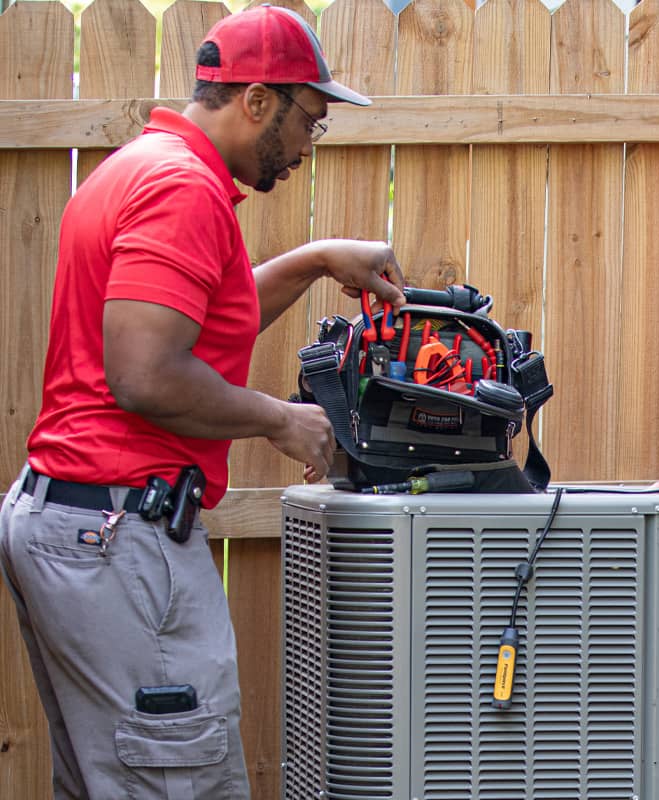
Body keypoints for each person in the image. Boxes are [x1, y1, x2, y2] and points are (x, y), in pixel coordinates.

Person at [0, 6, 404, 798]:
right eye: (307, 124)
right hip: (120, 536)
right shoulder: (182, 189)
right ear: (257, 101)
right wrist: (278, 419)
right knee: (178, 778)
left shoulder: (144, 165)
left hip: (83, 524)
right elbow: (146, 374)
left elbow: (196, 322)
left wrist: (318, 259)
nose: (303, 149)